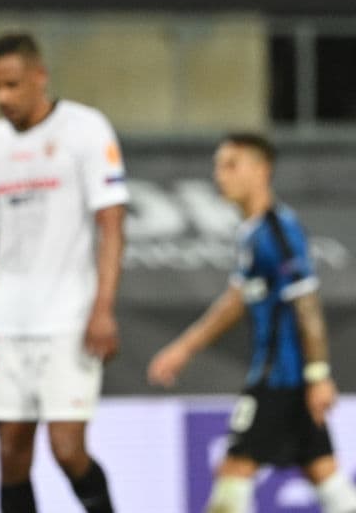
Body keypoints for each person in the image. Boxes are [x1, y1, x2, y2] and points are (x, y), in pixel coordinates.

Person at [0, 33, 127, 513]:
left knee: (67, 448)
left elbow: (112, 226)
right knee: (10, 455)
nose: (2, 97)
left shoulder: (86, 130)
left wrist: (103, 308)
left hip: (69, 320)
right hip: (8, 324)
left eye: (12, 85)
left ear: (39, 76)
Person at [148, 133, 356, 513]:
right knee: (324, 473)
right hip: (286, 379)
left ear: (261, 171)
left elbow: (306, 302)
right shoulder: (253, 233)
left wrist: (318, 374)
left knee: (233, 471)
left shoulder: (278, 231)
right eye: (217, 165)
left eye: (231, 165)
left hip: (282, 380)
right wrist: (183, 348)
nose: (219, 175)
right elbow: (234, 302)